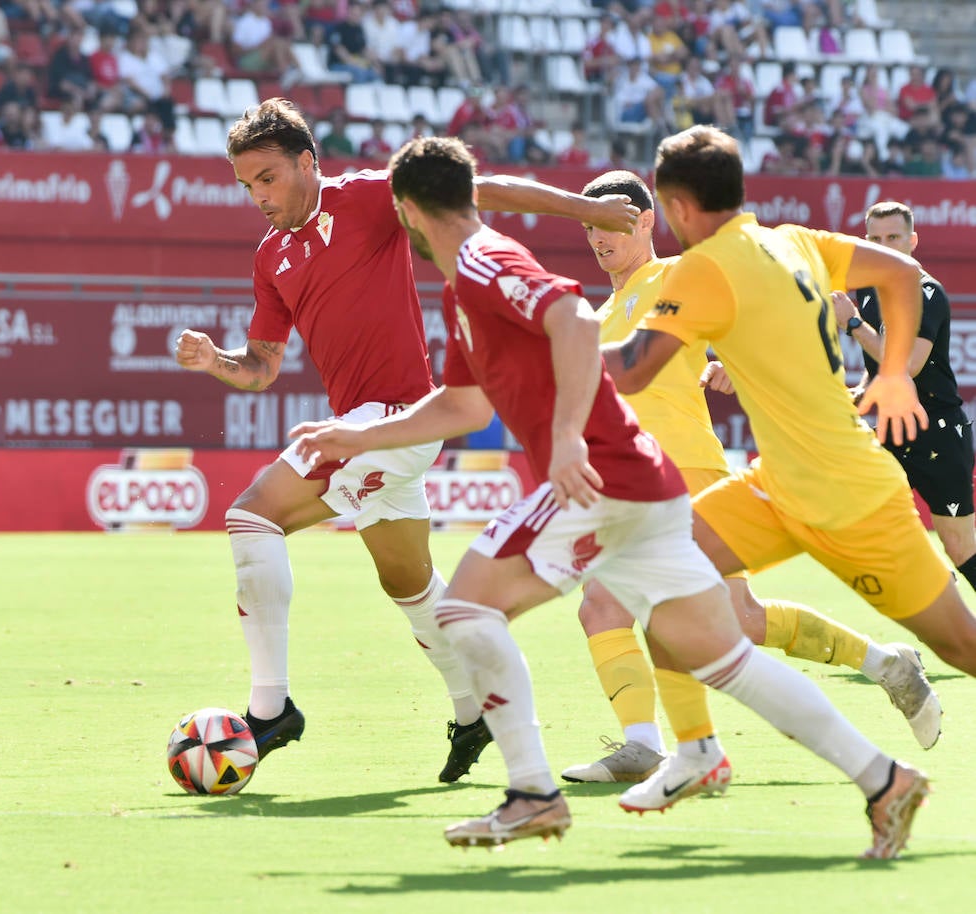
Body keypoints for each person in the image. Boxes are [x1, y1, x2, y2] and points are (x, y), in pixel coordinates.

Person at [291, 135, 926, 859]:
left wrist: (565, 438)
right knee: (724, 653)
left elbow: (568, 320)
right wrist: (356, 438)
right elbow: (463, 407)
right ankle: (885, 779)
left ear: (405, 210)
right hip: (646, 483)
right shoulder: (463, 280)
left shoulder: (483, 261)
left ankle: (532, 794)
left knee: (466, 608)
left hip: (606, 479)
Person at [174, 98, 638, 783]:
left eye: (268, 177)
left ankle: (270, 708)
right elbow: (264, 365)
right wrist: (218, 360)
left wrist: (587, 209)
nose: (258, 197)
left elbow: (471, 191)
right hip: (377, 434)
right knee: (410, 583)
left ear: (308, 163)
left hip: (394, 418)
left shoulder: (364, 197)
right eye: (247, 185)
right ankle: (472, 708)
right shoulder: (271, 257)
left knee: (251, 514)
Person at [562, 172, 939, 789]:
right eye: (589, 227)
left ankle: (884, 669)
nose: (599, 238)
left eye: (611, 223)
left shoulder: (679, 276)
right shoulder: (599, 313)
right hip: (628, 486)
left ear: (647, 221)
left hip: (689, 473)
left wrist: (730, 364)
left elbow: (748, 322)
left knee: (676, 612)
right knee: (645, 611)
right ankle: (643, 743)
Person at [602, 126, 976, 719]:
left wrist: (540, 346)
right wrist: (895, 373)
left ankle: (874, 738)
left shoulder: (701, 269)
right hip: (778, 483)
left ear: (675, 207)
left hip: (847, 491)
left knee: (963, 644)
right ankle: (695, 753)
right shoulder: (795, 240)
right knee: (662, 578)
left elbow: (630, 369)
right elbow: (903, 276)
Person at [832, 201, 976, 592]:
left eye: (893, 237)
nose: (884, 246)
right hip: (895, 429)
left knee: (961, 547)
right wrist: (863, 388)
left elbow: (907, 365)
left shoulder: (926, 292)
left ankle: (930, 576)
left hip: (938, 431)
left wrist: (854, 325)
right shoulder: (869, 288)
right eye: (875, 239)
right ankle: (926, 575)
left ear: (912, 241)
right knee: (852, 508)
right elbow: (880, 366)